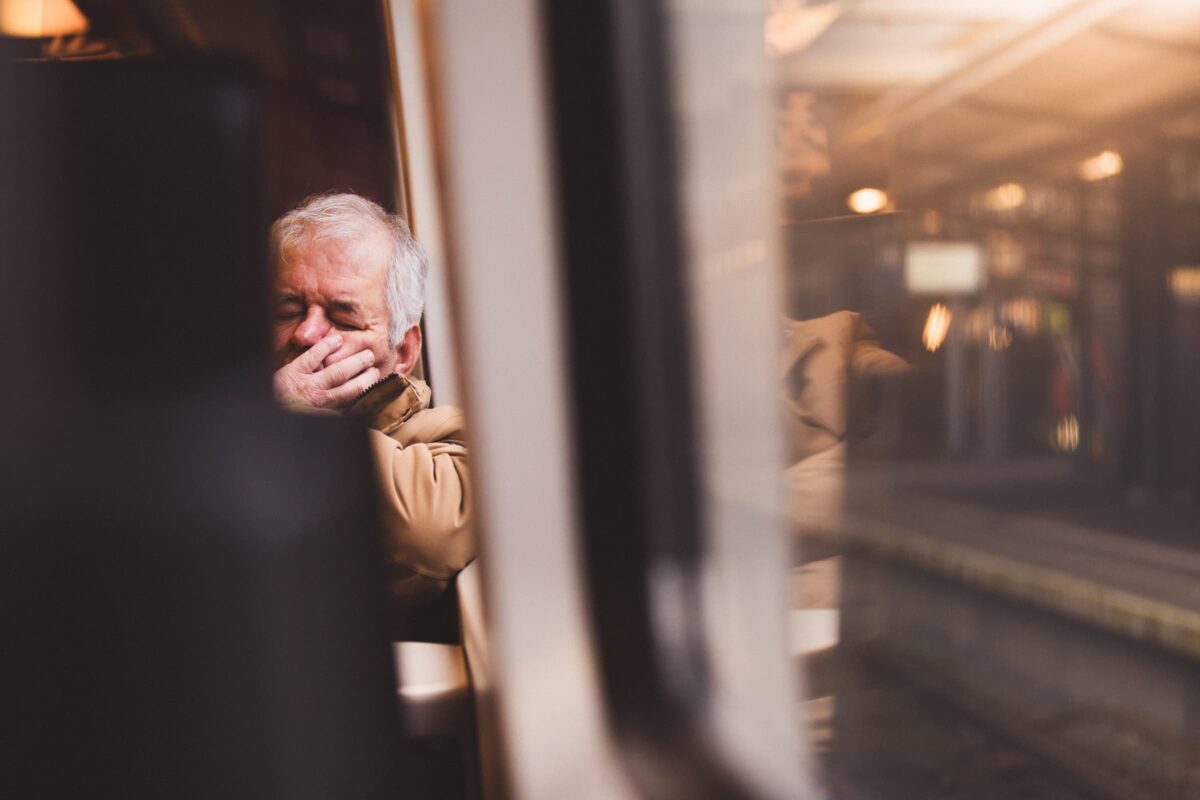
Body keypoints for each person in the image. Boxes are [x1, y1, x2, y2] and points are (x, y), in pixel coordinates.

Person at [270, 193, 472, 641]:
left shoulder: (450, 439)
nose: (306, 334)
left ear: (403, 351)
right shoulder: (233, 425)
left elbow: (435, 533)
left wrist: (292, 410)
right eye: (287, 311)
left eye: (343, 320)